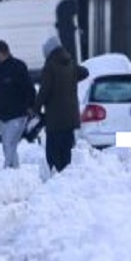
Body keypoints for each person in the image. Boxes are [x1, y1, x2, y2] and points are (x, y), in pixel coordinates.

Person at [36, 35, 88, 173]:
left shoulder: (50, 67)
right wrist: (71, 79)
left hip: (55, 119)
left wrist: (35, 109)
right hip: (70, 119)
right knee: (67, 154)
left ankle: (57, 180)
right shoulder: (70, 63)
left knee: (53, 156)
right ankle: (66, 179)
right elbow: (85, 72)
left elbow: (44, 92)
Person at [0, 40, 35, 168]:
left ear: (2, 52)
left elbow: (29, 88)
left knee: (10, 143)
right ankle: (14, 171)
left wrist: (30, 106)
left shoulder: (18, 67)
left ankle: (7, 169)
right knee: (7, 145)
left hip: (18, 114)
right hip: (2, 114)